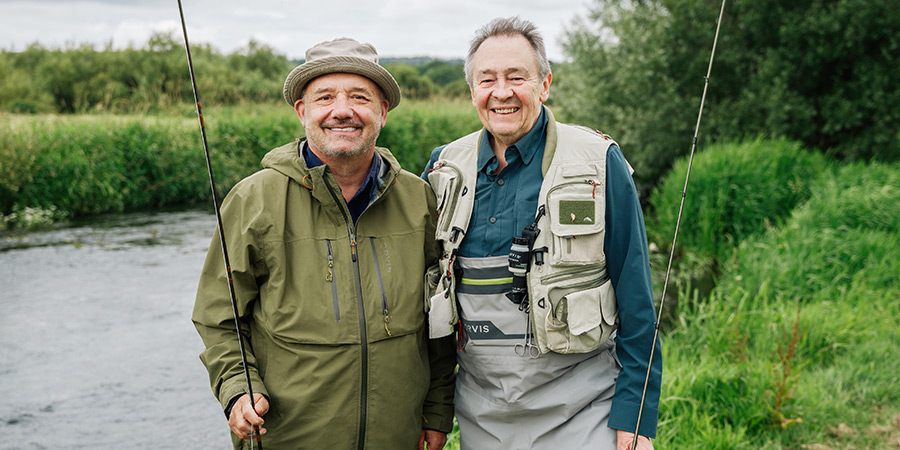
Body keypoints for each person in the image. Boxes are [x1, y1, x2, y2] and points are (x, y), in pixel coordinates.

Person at [193, 37, 456, 450]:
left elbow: (438, 321)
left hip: (398, 437)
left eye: (359, 97)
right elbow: (218, 317)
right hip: (286, 438)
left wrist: (438, 412)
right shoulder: (252, 200)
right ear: (303, 111)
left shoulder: (419, 200)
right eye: (325, 97)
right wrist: (237, 389)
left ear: (382, 111)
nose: (342, 110)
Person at [421, 17, 661, 450]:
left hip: (586, 409)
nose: (502, 92)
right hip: (481, 414)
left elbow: (637, 298)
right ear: (473, 90)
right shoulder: (442, 169)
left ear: (544, 84)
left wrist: (636, 413)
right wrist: (435, 411)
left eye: (517, 77)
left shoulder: (599, 162)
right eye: (487, 79)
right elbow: (428, 308)